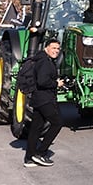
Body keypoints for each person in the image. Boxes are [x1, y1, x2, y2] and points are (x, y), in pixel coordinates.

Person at [20, 38, 64, 168]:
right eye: (53, 48)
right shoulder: (45, 62)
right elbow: (42, 81)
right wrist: (57, 83)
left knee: (36, 127)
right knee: (58, 123)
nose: (56, 51)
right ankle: (40, 153)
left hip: (38, 98)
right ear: (46, 48)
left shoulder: (41, 59)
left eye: (58, 48)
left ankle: (29, 158)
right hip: (45, 99)